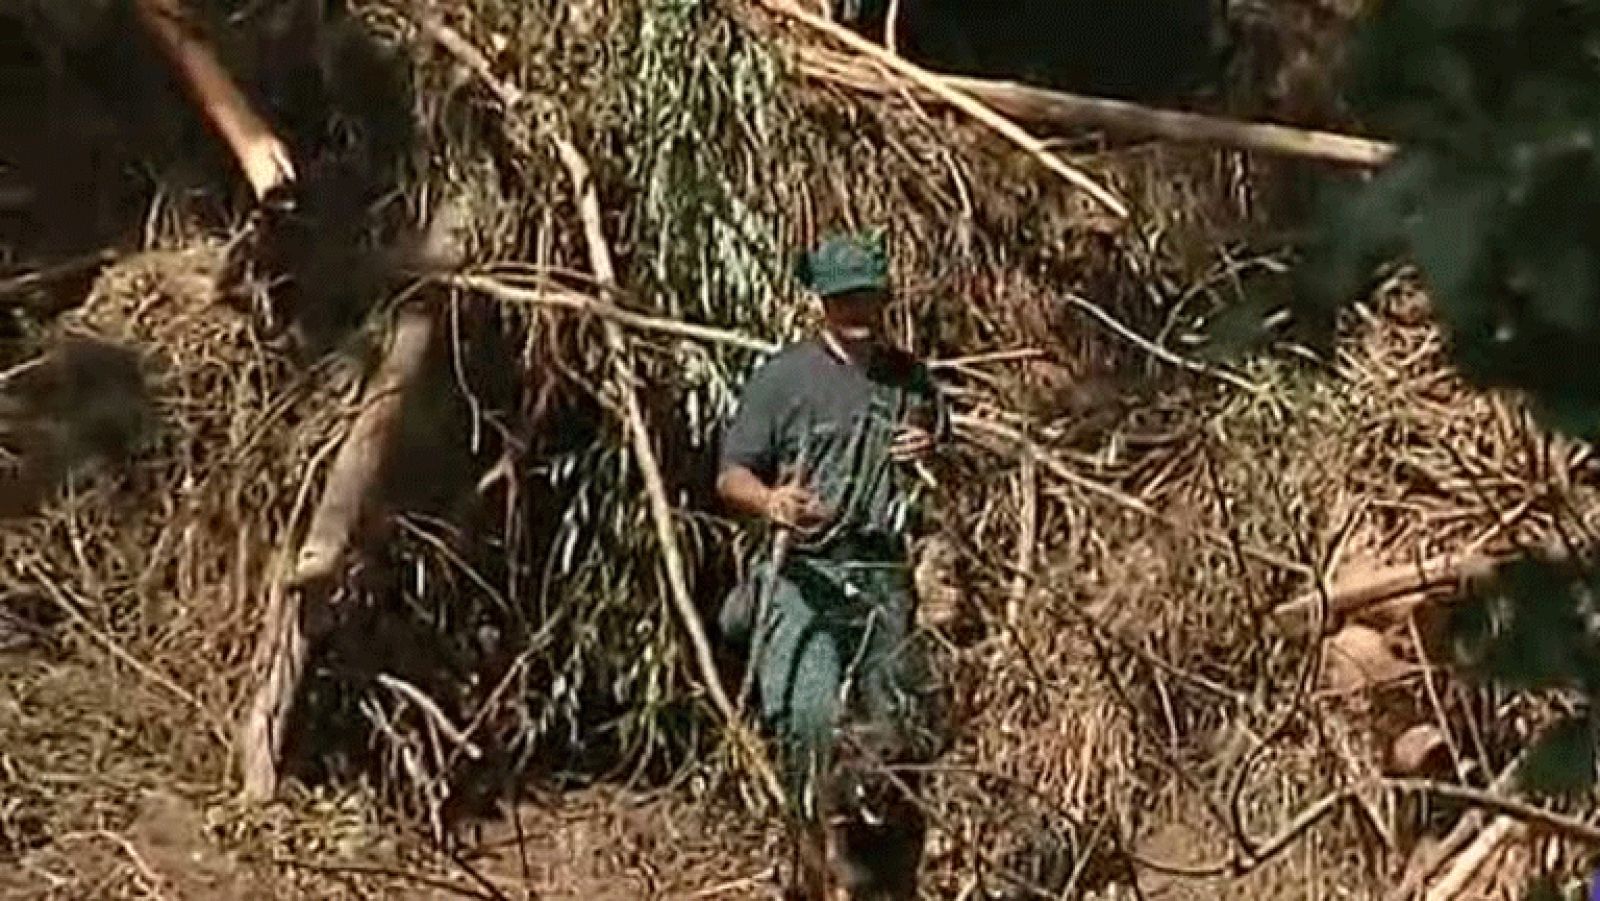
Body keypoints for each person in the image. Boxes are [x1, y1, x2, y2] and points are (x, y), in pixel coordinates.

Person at [717, 230, 948, 899]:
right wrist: (771, 501)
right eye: (843, 296)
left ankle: (889, 876)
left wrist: (928, 442)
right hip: (805, 576)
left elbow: (942, 444)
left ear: (883, 294)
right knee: (807, 716)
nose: (857, 309)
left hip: (882, 573)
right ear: (820, 298)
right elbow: (731, 476)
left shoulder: (908, 375)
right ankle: (809, 868)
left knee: (901, 726)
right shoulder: (782, 377)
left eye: (867, 294)